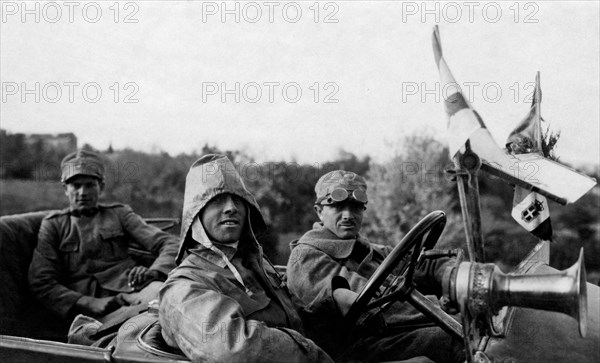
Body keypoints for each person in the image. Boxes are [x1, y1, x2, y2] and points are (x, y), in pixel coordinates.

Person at [158, 154, 332, 362]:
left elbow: (297, 316)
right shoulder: (185, 287)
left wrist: (336, 308)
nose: (231, 207)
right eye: (217, 200)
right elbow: (234, 349)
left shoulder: (255, 263)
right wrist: (312, 352)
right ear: (197, 213)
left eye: (238, 200)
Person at [286, 170, 464, 363]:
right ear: (320, 211)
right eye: (338, 206)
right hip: (352, 350)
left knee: (476, 326)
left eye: (355, 207)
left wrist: (459, 278)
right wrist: (439, 308)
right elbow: (370, 306)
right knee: (459, 338)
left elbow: (424, 264)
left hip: (385, 337)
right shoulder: (306, 258)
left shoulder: (371, 251)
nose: (348, 215)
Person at [28, 150, 179, 340]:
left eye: (90, 185)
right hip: (87, 310)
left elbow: (170, 242)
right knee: (146, 320)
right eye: (76, 185)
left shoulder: (119, 215)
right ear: (65, 189)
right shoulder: (54, 225)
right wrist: (87, 301)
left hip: (133, 292)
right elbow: (41, 281)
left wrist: (154, 271)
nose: (83, 192)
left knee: (166, 295)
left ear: (101, 186)